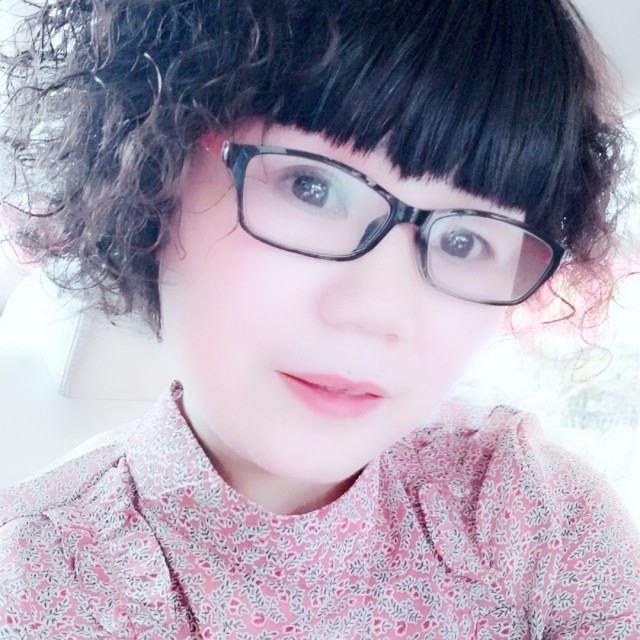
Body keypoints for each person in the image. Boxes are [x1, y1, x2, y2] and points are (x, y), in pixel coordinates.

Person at [0, 0, 639, 637]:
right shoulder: (34, 582)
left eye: (465, 241)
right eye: (312, 187)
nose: (377, 311)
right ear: (151, 168)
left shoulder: (536, 518)